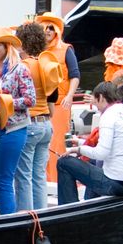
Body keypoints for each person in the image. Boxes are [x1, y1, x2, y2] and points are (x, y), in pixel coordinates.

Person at [57, 81, 123, 205]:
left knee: (64, 163)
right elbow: (113, 146)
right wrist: (81, 143)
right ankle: (90, 203)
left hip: (116, 184)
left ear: (102, 98)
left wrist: (78, 150)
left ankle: (68, 209)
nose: (95, 105)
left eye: (96, 101)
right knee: (93, 163)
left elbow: (101, 153)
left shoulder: (108, 116)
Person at [0, 27, 35, 216]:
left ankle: (8, 221)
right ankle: (7, 218)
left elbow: (31, 99)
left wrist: (7, 103)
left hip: (14, 129)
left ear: (7, 47)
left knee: (4, 179)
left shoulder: (19, 69)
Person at [14, 22, 61, 211]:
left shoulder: (24, 66)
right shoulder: (45, 65)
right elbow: (53, 97)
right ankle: (41, 216)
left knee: (23, 175)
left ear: (22, 42)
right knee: (39, 175)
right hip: (45, 124)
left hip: (30, 123)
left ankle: (26, 218)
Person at [37, 11, 80, 181]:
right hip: (41, 103)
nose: (47, 31)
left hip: (60, 102)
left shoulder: (66, 49)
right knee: (42, 141)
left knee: (58, 140)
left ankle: (57, 179)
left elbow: (75, 75)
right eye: (44, 28)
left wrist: (70, 96)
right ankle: (43, 179)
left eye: (51, 28)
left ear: (56, 31)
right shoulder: (37, 51)